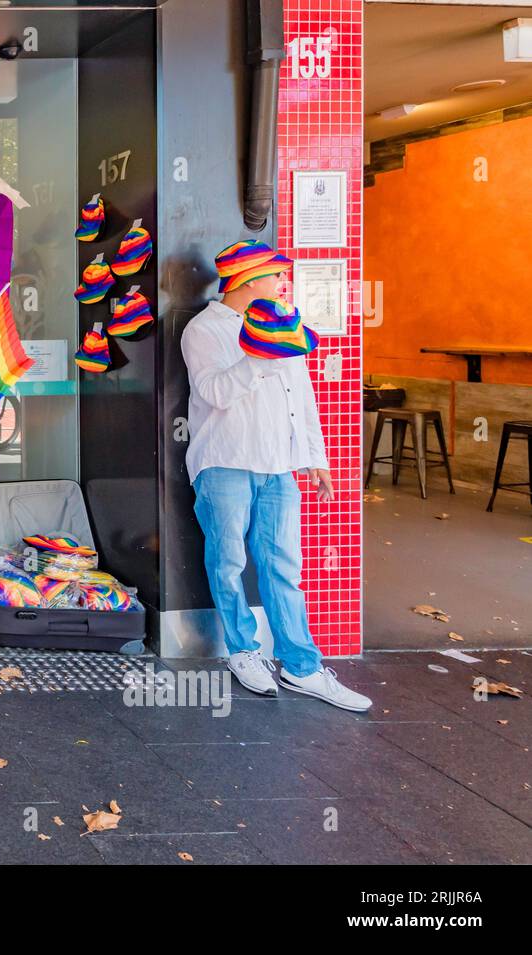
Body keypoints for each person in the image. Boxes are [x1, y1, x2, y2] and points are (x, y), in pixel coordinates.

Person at [181, 240, 370, 712]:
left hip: (277, 467)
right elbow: (215, 392)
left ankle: (302, 667)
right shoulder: (203, 330)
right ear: (247, 281)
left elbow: (300, 399)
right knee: (228, 563)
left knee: (284, 565)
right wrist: (260, 354)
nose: (283, 284)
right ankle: (243, 652)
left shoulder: (285, 326)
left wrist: (315, 458)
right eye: (275, 276)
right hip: (223, 461)